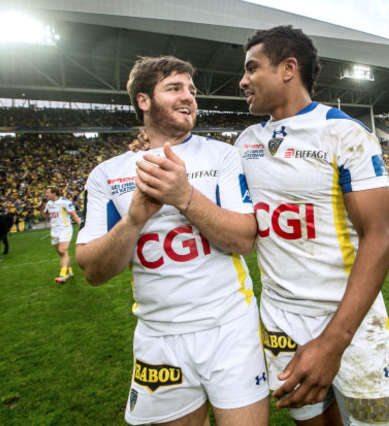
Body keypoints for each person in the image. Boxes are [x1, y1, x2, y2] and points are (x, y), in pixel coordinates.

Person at [76, 56, 269, 426]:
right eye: (175, 88)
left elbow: (245, 239)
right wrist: (134, 219)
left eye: (192, 91)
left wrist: (184, 197)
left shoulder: (222, 156)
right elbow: (94, 271)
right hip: (159, 339)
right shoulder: (108, 175)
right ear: (143, 100)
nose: (189, 97)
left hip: (230, 328)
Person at [235, 25, 389, 426]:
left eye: (252, 68)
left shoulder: (344, 133)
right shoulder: (243, 144)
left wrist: (333, 342)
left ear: (288, 68)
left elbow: (379, 238)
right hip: (280, 320)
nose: (242, 81)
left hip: (351, 319)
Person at [40, 186, 81, 283]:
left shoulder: (65, 202)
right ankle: (70, 271)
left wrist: (82, 227)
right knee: (62, 253)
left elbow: (74, 215)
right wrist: (41, 209)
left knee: (62, 250)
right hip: (54, 231)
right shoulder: (49, 204)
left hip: (65, 230)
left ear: (54, 193)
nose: (46, 194)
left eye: (48, 192)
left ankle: (62, 276)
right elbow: (44, 216)